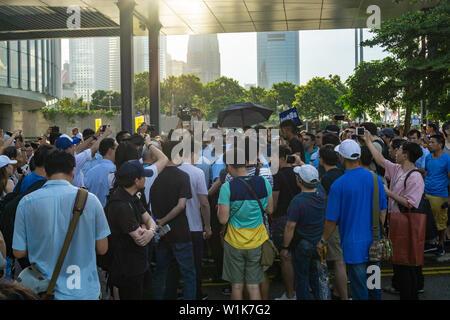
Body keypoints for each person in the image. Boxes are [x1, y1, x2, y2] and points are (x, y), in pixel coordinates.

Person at [12, 150, 110, 300]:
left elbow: (18, 252)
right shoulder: (90, 200)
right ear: (72, 171)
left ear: (45, 172)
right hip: (85, 291)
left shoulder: (27, 202)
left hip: (44, 290)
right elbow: (102, 248)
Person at [317, 139, 387, 300]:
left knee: (359, 289)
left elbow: (331, 220)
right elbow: (383, 209)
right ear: (359, 156)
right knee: (374, 287)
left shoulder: (339, 185)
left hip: (353, 247)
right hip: (374, 245)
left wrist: (322, 240)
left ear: (341, 157)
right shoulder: (374, 178)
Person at [364, 131, 425, 299]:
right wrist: (368, 141)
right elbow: (380, 160)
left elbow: (410, 203)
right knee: (400, 265)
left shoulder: (415, 177)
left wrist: (388, 192)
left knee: (406, 265)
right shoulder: (398, 169)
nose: (395, 153)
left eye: (399, 151)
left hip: (406, 224)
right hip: (396, 222)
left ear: (405, 155)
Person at [217, 148, 273, 300]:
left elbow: (222, 219)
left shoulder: (227, 187)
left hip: (234, 241)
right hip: (257, 240)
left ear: (229, 165)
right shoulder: (263, 182)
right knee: (254, 285)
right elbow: (270, 209)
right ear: (245, 163)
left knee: (236, 286)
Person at [150, 141, 196, 300]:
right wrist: (164, 220)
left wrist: (159, 222)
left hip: (160, 234)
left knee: (161, 272)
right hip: (181, 232)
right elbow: (181, 205)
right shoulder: (183, 176)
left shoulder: (154, 175)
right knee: (188, 273)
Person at [166, 139, 211, 300]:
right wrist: (208, 226)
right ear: (189, 153)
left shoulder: (164, 172)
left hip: (171, 228)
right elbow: (204, 203)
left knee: (173, 268)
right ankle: (195, 296)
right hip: (194, 228)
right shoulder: (197, 173)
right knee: (194, 267)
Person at [106, 160, 156, 300]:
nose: (145, 179)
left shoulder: (131, 197)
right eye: (143, 176)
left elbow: (149, 219)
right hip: (128, 269)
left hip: (139, 265)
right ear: (136, 180)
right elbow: (140, 238)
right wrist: (148, 229)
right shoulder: (121, 204)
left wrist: (150, 230)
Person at [281, 164, 325, 300]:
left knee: (302, 278)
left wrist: (285, 247)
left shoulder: (298, 201)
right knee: (317, 278)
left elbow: (290, 227)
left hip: (302, 245)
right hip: (318, 243)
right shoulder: (321, 193)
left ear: (299, 181)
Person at [318, 144, 348, 300]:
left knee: (338, 262)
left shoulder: (327, 179)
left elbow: (327, 204)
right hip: (346, 222)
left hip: (333, 224)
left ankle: (343, 295)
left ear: (322, 160)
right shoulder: (343, 173)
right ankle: (337, 291)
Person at [272, 145, 300, 300]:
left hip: (282, 219)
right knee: (297, 257)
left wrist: (270, 212)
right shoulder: (299, 172)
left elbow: (274, 204)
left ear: (281, 158)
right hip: (300, 219)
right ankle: (299, 291)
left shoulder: (277, 175)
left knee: (285, 257)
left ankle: (290, 295)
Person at [424, 135, 450, 256]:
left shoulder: (447, 159)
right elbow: (427, 173)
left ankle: (441, 244)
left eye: (432, 142)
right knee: (428, 221)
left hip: (440, 195)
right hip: (427, 193)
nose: (429, 144)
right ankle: (431, 243)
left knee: (440, 222)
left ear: (440, 145)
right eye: (429, 142)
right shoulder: (428, 157)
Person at [85, 138, 118, 207]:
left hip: (93, 211)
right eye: (117, 148)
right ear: (110, 150)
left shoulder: (90, 172)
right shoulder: (115, 170)